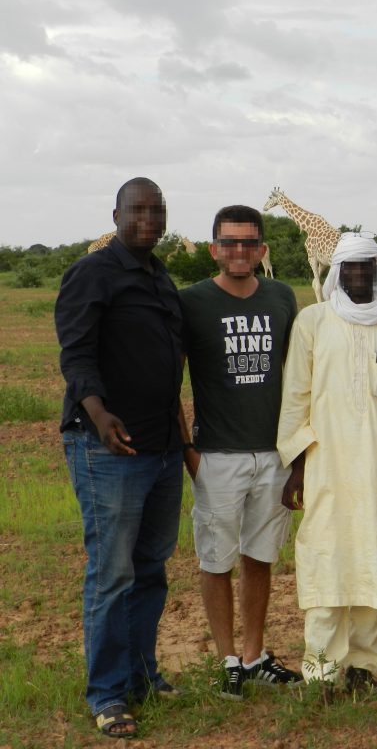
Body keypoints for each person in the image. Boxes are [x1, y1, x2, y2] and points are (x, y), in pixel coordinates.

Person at [56, 178, 183, 739]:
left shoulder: (159, 275)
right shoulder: (93, 273)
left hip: (160, 449)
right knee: (112, 573)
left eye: (157, 211)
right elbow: (77, 353)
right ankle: (107, 694)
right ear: (116, 214)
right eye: (138, 211)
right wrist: (99, 414)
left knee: (151, 568)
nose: (149, 220)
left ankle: (140, 674)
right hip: (108, 448)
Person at [277, 232, 377, 694]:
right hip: (326, 465)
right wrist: (296, 465)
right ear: (338, 272)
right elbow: (296, 394)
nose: (359, 275)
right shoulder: (313, 321)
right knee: (327, 561)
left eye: (367, 267)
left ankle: (365, 667)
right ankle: (321, 670)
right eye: (351, 268)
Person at [178, 205, 301, 699]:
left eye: (249, 243)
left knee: (259, 557)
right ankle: (227, 658)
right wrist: (189, 449)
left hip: (272, 453)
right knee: (215, 559)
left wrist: (297, 455)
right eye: (229, 243)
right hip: (217, 454)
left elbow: (298, 376)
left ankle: (255, 655)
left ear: (262, 249)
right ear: (214, 249)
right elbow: (172, 379)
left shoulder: (281, 297)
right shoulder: (193, 302)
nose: (239, 251)